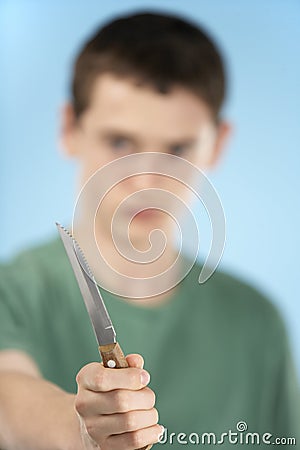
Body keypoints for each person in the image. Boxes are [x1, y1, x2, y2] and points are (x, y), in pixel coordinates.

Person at [0, 10, 299, 450]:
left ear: (218, 143)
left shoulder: (257, 323)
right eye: (120, 143)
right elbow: (7, 401)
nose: (146, 180)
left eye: (177, 148)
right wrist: (82, 430)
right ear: (69, 129)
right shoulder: (14, 292)